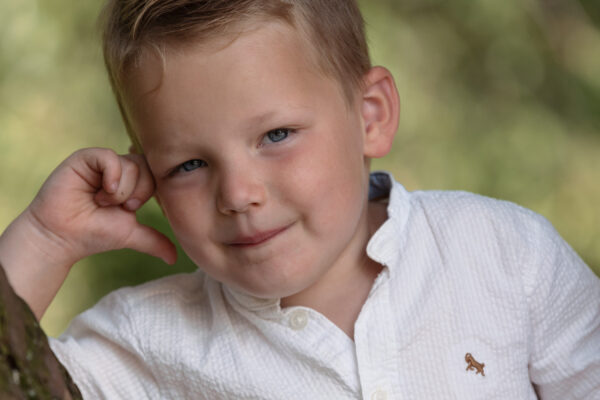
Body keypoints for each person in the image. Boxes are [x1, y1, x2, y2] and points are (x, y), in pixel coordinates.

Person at [0, 0, 598, 398]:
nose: (237, 194)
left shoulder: (505, 255)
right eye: (189, 164)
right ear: (146, 173)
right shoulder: (144, 343)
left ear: (370, 116)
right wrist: (45, 241)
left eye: (276, 136)